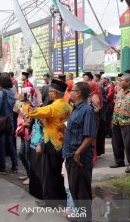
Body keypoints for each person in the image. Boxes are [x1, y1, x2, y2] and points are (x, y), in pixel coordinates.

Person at [22, 79, 72, 207]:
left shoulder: (53, 107)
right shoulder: (67, 106)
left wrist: (24, 103)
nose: (49, 93)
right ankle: (61, 197)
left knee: (49, 174)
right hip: (62, 142)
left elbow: (31, 113)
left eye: (50, 91)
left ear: (54, 93)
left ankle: (50, 201)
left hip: (51, 143)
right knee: (59, 173)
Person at [63, 81, 97, 221]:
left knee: (82, 193)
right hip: (70, 155)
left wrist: (78, 153)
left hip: (80, 158)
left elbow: (90, 136)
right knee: (75, 191)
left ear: (78, 93)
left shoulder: (87, 110)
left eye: (72, 90)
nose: (69, 92)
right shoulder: (76, 108)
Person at [110, 73, 130, 173]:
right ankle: (119, 161)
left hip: (127, 122)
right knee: (116, 143)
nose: (119, 82)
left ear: (128, 82)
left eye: (121, 80)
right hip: (116, 121)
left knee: (128, 144)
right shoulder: (120, 91)